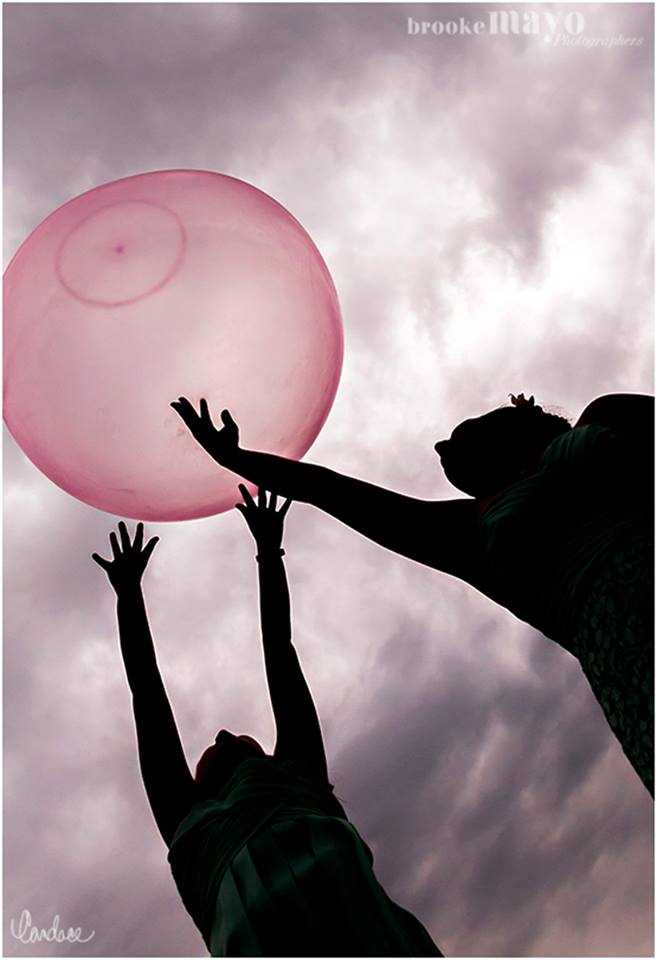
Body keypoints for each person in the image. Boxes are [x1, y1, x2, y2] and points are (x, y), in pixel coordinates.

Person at [171, 392, 654, 795]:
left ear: (517, 424)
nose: (442, 445)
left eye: (464, 432)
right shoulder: (467, 533)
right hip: (630, 667)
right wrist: (236, 460)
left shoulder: (605, 417)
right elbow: (331, 490)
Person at [92, 494, 442, 957]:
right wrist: (128, 595)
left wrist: (268, 550)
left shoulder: (298, 778)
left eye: (229, 738)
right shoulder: (190, 822)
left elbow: (281, 650)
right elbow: (148, 696)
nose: (221, 735)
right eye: (226, 741)